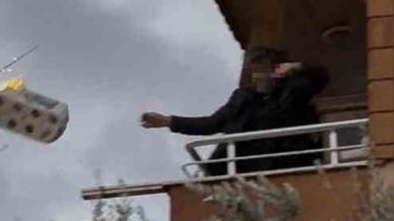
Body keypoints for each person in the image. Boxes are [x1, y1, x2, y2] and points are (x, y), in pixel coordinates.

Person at [141, 47, 330, 176]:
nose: (258, 75)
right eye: (254, 70)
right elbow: (213, 123)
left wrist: (297, 66)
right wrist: (169, 121)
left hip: (287, 164)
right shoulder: (243, 97)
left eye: (264, 69)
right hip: (240, 167)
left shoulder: (294, 90)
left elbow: (320, 77)